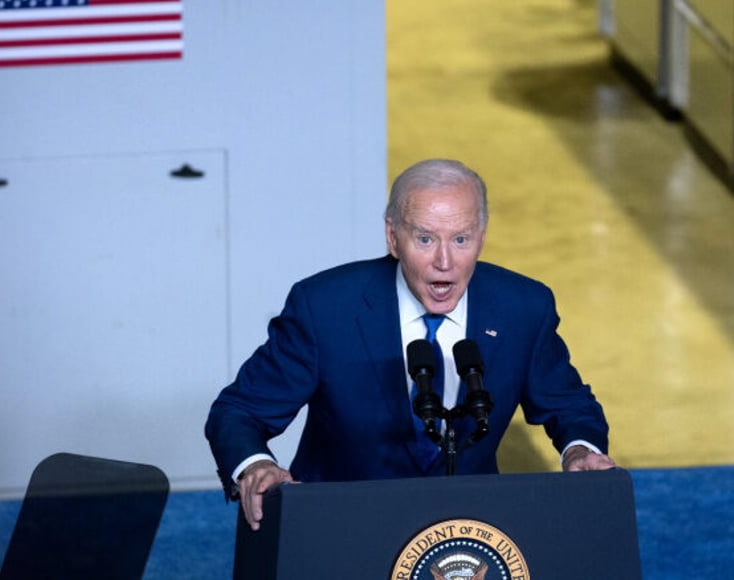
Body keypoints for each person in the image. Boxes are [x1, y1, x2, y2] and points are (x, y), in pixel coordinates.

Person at [206, 158, 616, 531]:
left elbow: (569, 406)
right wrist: (257, 465)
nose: (444, 262)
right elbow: (238, 412)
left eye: (461, 239)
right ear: (392, 237)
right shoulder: (325, 308)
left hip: (468, 531)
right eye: (425, 239)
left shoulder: (523, 307)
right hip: (341, 528)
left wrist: (579, 451)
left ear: (482, 236)